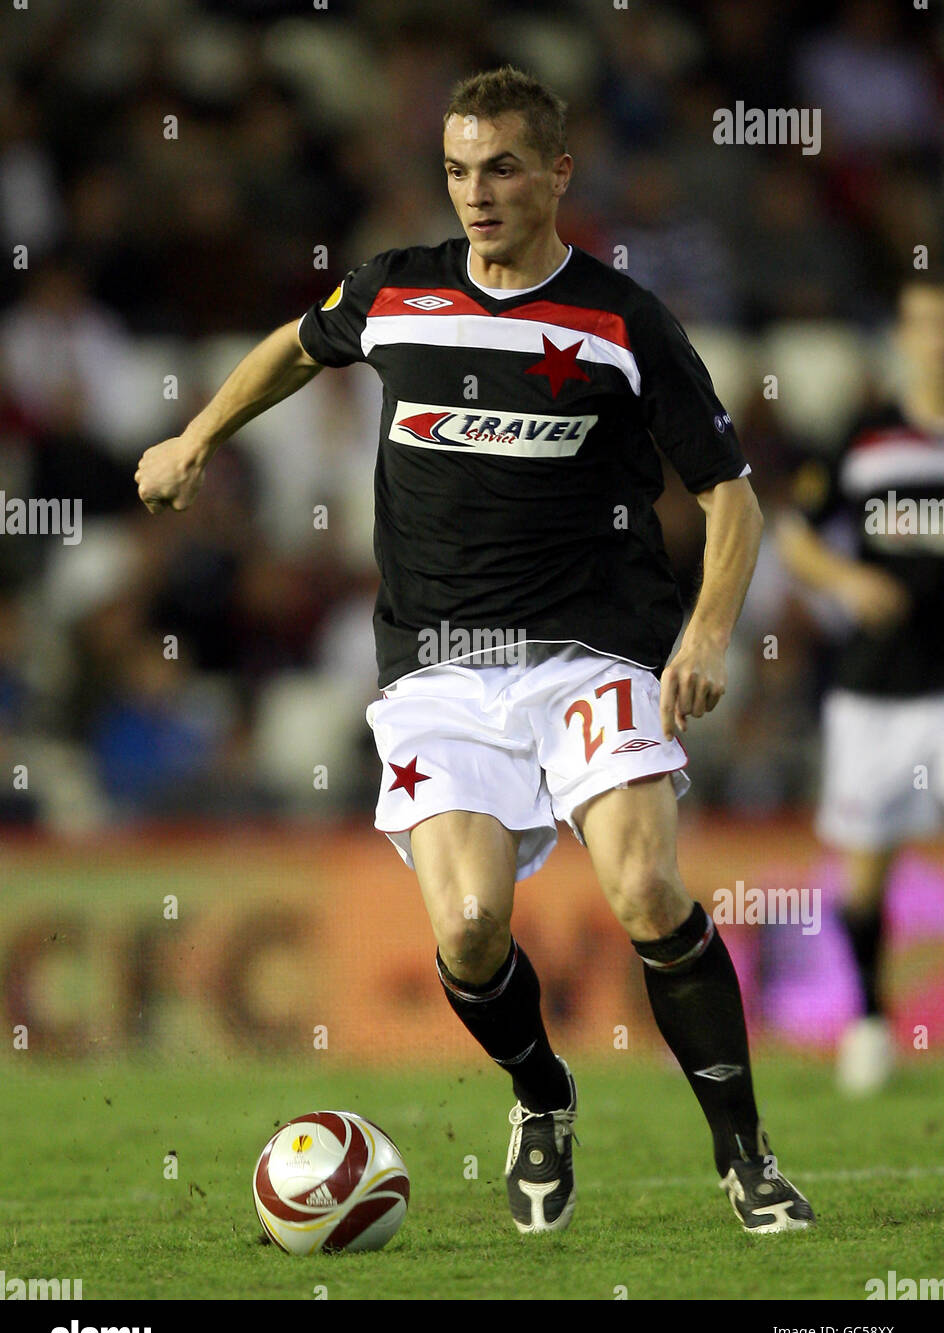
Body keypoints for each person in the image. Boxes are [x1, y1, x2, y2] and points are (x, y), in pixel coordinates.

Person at [136, 65, 814, 1234]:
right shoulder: (393, 290)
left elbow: (730, 496)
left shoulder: (622, 318)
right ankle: (541, 1094)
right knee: (466, 930)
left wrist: (703, 631)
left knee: (647, 886)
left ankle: (744, 1155)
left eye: (500, 167)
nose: (475, 193)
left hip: (591, 650)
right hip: (436, 669)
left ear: (556, 171)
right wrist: (197, 433)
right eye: (456, 170)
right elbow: (295, 348)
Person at [778, 276, 944, 1095]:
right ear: (903, 337)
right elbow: (797, 535)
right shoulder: (868, 436)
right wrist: (847, 582)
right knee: (868, 863)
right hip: (876, 687)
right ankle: (872, 1021)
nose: (935, 339)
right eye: (922, 324)